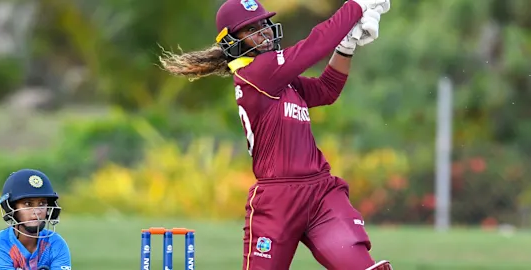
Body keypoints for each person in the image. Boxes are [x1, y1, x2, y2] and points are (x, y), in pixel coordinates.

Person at [158, 0, 393, 269]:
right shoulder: (257, 73)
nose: (264, 31)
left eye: (263, 24)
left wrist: (346, 47)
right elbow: (315, 45)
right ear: (233, 41)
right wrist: (355, 6)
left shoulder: (280, 79)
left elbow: (326, 91)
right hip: (277, 199)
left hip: (321, 193)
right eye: (251, 29)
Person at [0, 169, 72, 270]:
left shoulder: (56, 243)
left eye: (42, 204)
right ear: (10, 207)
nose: (37, 211)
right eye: (28, 204)